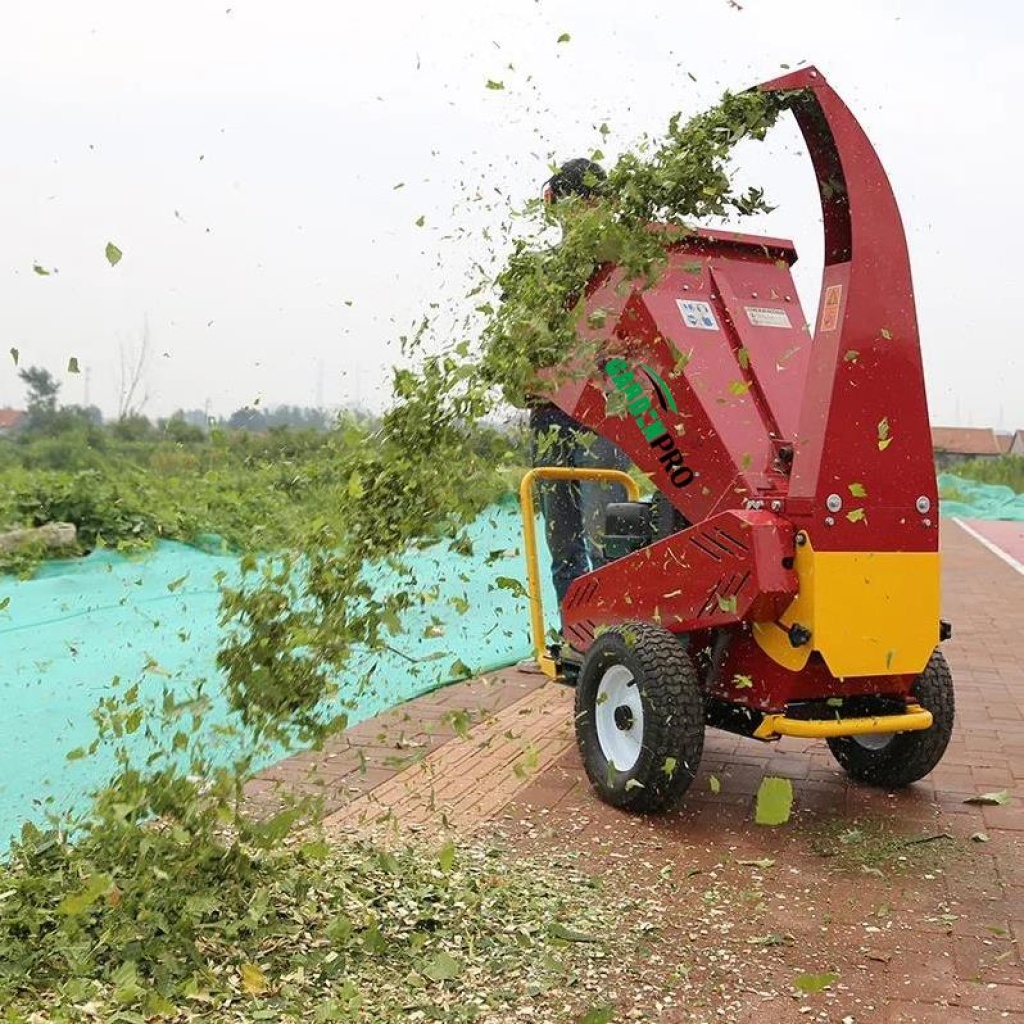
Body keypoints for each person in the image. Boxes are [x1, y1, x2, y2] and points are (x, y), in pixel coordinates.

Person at [529, 158, 632, 605]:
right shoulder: (542, 274)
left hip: (602, 411)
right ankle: (576, 633)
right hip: (549, 415)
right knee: (562, 543)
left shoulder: (625, 263)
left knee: (605, 537)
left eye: (588, 203)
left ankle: (619, 632)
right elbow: (522, 350)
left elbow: (640, 345)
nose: (577, 214)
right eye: (570, 205)